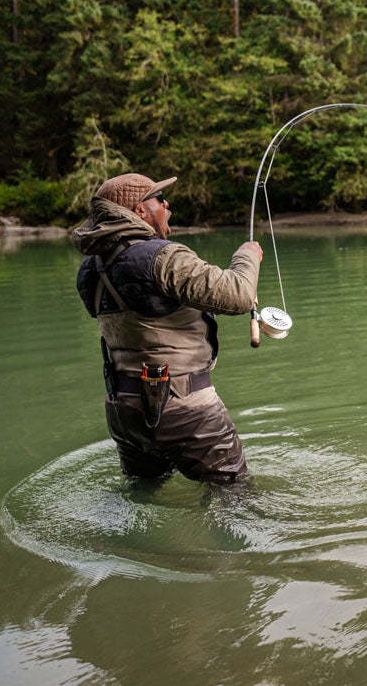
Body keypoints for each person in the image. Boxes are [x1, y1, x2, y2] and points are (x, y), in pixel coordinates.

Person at [72, 172, 262, 483]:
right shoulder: (163, 256)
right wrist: (247, 256)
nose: (166, 204)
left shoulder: (90, 268)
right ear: (140, 210)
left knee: (142, 490)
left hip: (123, 412)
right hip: (185, 410)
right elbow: (238, 296)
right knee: (234, 494)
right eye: (159, 199)